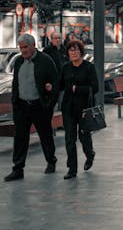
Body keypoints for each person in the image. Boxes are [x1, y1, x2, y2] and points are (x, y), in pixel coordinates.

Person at [4, 34, 59, 181]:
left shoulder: (45, 61)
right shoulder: (19, 62)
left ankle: (51, 161)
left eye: (25, 47)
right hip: (22, 106)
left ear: (33, 45)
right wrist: (15, 103)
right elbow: (16, 84)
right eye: (21, 48)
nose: (23, 51)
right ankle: (18, 168)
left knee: (45, 136)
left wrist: (49, 105)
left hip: (39, 106)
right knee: (20, 138)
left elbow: (55, 84)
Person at [60, 39, 99, 179]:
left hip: (84, 109)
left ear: (81, 52)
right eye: (71, 50)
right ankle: (72, 169)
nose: (74, 53)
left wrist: (79, 89)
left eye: (76, 50)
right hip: (68, 108)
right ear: (68, 53)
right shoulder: (65, 67)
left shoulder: (89, 67)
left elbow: (95, 87)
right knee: (69, 138)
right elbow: (61, 85)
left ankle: (90, 154)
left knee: (84, 137)